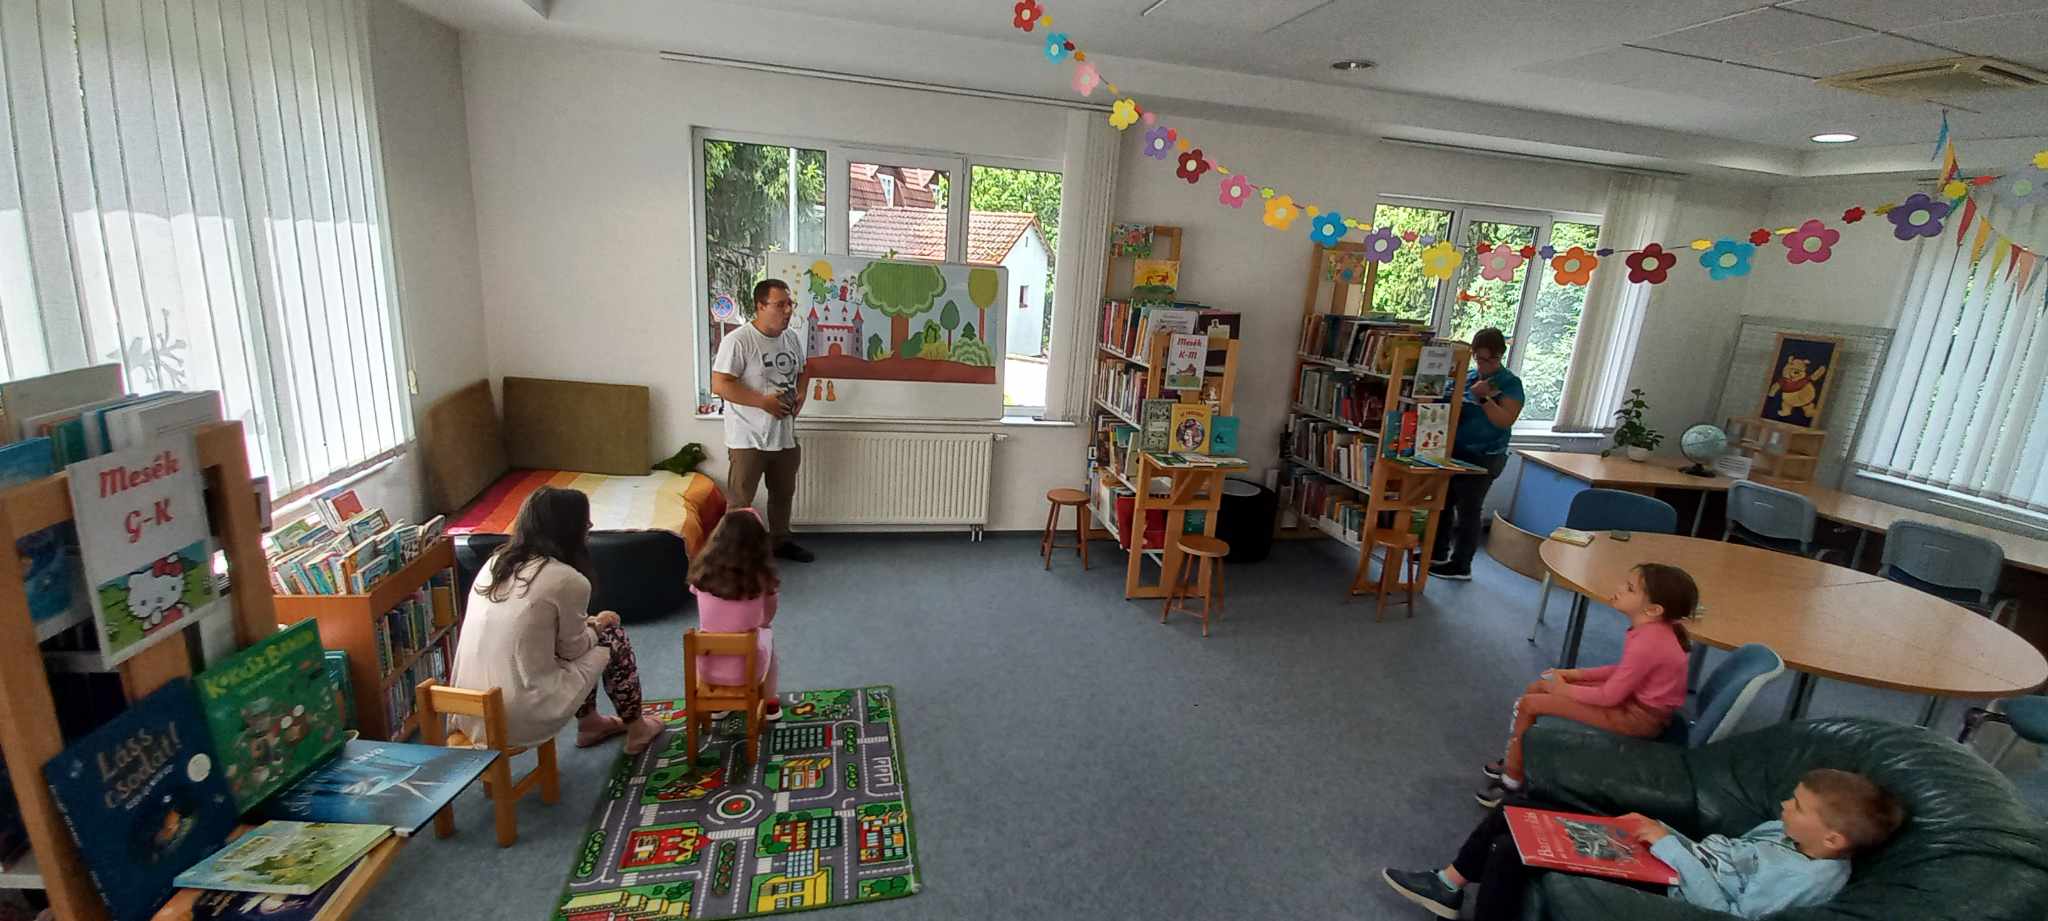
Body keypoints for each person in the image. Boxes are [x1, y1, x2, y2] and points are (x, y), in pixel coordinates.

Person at [1383, 768, 1904, 920]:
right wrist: (1662, 831)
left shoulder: (1807, 879)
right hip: (1665, 854)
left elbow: (1727, 911)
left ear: (1833, 838)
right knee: (1529, 803)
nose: (1784, 806)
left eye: (1798, 806)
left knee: (1512, 849)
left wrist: (1668, 849)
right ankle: (1449, 883)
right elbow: (1714, 852)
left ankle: (1459, 891)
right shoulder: (1784, 834)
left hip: (1668, 887)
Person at [448, 486, 665, 755]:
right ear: (571, 530)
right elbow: (573, 649)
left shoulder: (494, 563)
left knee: (579, 630)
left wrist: (589, 626)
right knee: (611, 636)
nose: (589, 529)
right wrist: (599, 624)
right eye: (586, 523)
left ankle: (590, 723)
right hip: (516, 715)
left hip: (467, 709)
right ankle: (637, 729)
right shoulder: (568, 580)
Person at [1475, 563, 1696, 808]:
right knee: (1538, 688)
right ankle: (1517, 755)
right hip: (1633, 701)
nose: (1619, 588)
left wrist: (1563, 689)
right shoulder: (1653, 631)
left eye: (1629, 588)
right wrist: (1574, 674)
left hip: (1637, 717)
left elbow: (1609, 696)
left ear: (1653, 609)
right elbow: (1624, 671)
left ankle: (1513, 779)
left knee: (1530, 704)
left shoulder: (1649, 641)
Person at [711, 278, 813, 563]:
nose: (788, 310)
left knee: (783, 494)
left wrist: (802, 392)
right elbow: (720, 385)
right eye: (780, 305)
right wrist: (763, 402)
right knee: (741, 501)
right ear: (760, 306)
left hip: (784, 435)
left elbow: (804, 370)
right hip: (748, 438)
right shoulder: (738, 341)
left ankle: (780, 541)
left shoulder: (791, 338)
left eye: (790, 304)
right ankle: (733, 556)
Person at [1430, 327, 1523, 580]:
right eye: (1479, 358)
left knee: (1469, 509)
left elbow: (1505, 420)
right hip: (1456, 451)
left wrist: (1483, 399)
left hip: (1485, 455)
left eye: (1490, 359)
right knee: (1443, 503)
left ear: (1500, 355)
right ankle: (1436, 552)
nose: (1484, 364)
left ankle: (1461, 564)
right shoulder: (1468, 376)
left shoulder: (1510, 383)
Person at [688, 508, 783, 720]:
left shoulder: (701, 574)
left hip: (708, 668)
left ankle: (717, 706)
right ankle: (770, 703)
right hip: (750, 669)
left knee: (707, 634)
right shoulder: (762, 579)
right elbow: (768, 618)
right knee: (767, 635)